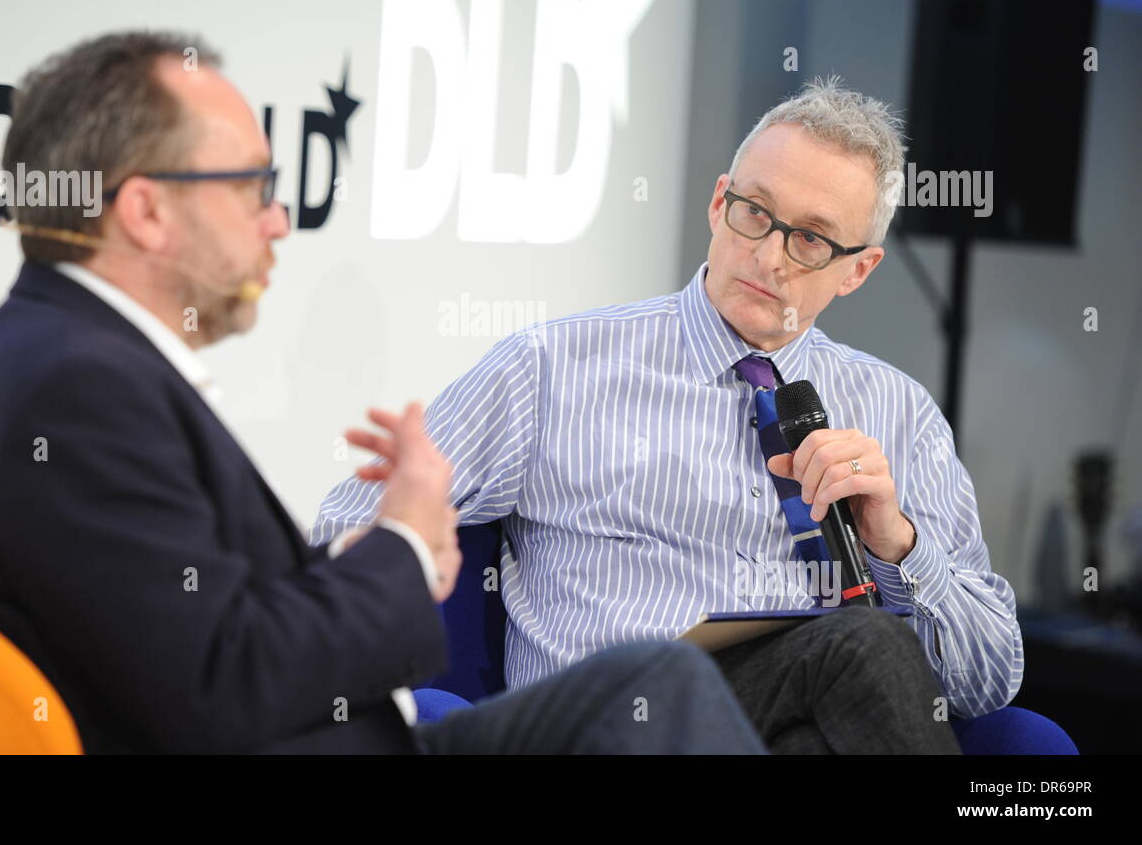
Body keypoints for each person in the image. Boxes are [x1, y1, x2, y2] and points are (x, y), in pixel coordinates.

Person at [0, 30, 767, 754]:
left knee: (653, 684)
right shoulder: (77, 388)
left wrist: (377, 556)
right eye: (252, 186)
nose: (279, 219)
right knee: (663, 691)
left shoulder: (65, 355)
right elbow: (217, 685)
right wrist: (399, 547)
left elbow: (193, 617)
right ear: (145, 213)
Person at [315, 78, 1016, 754]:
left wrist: (896, 544)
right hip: (606, 728)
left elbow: (986, 680)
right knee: (861, 645)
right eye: (755, 213)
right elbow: (343, 530)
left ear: (857, 269)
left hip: (784, 720)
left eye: (809, 240)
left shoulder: (899, 412)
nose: (768, 255)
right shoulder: (555, 366)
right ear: (719, 203)